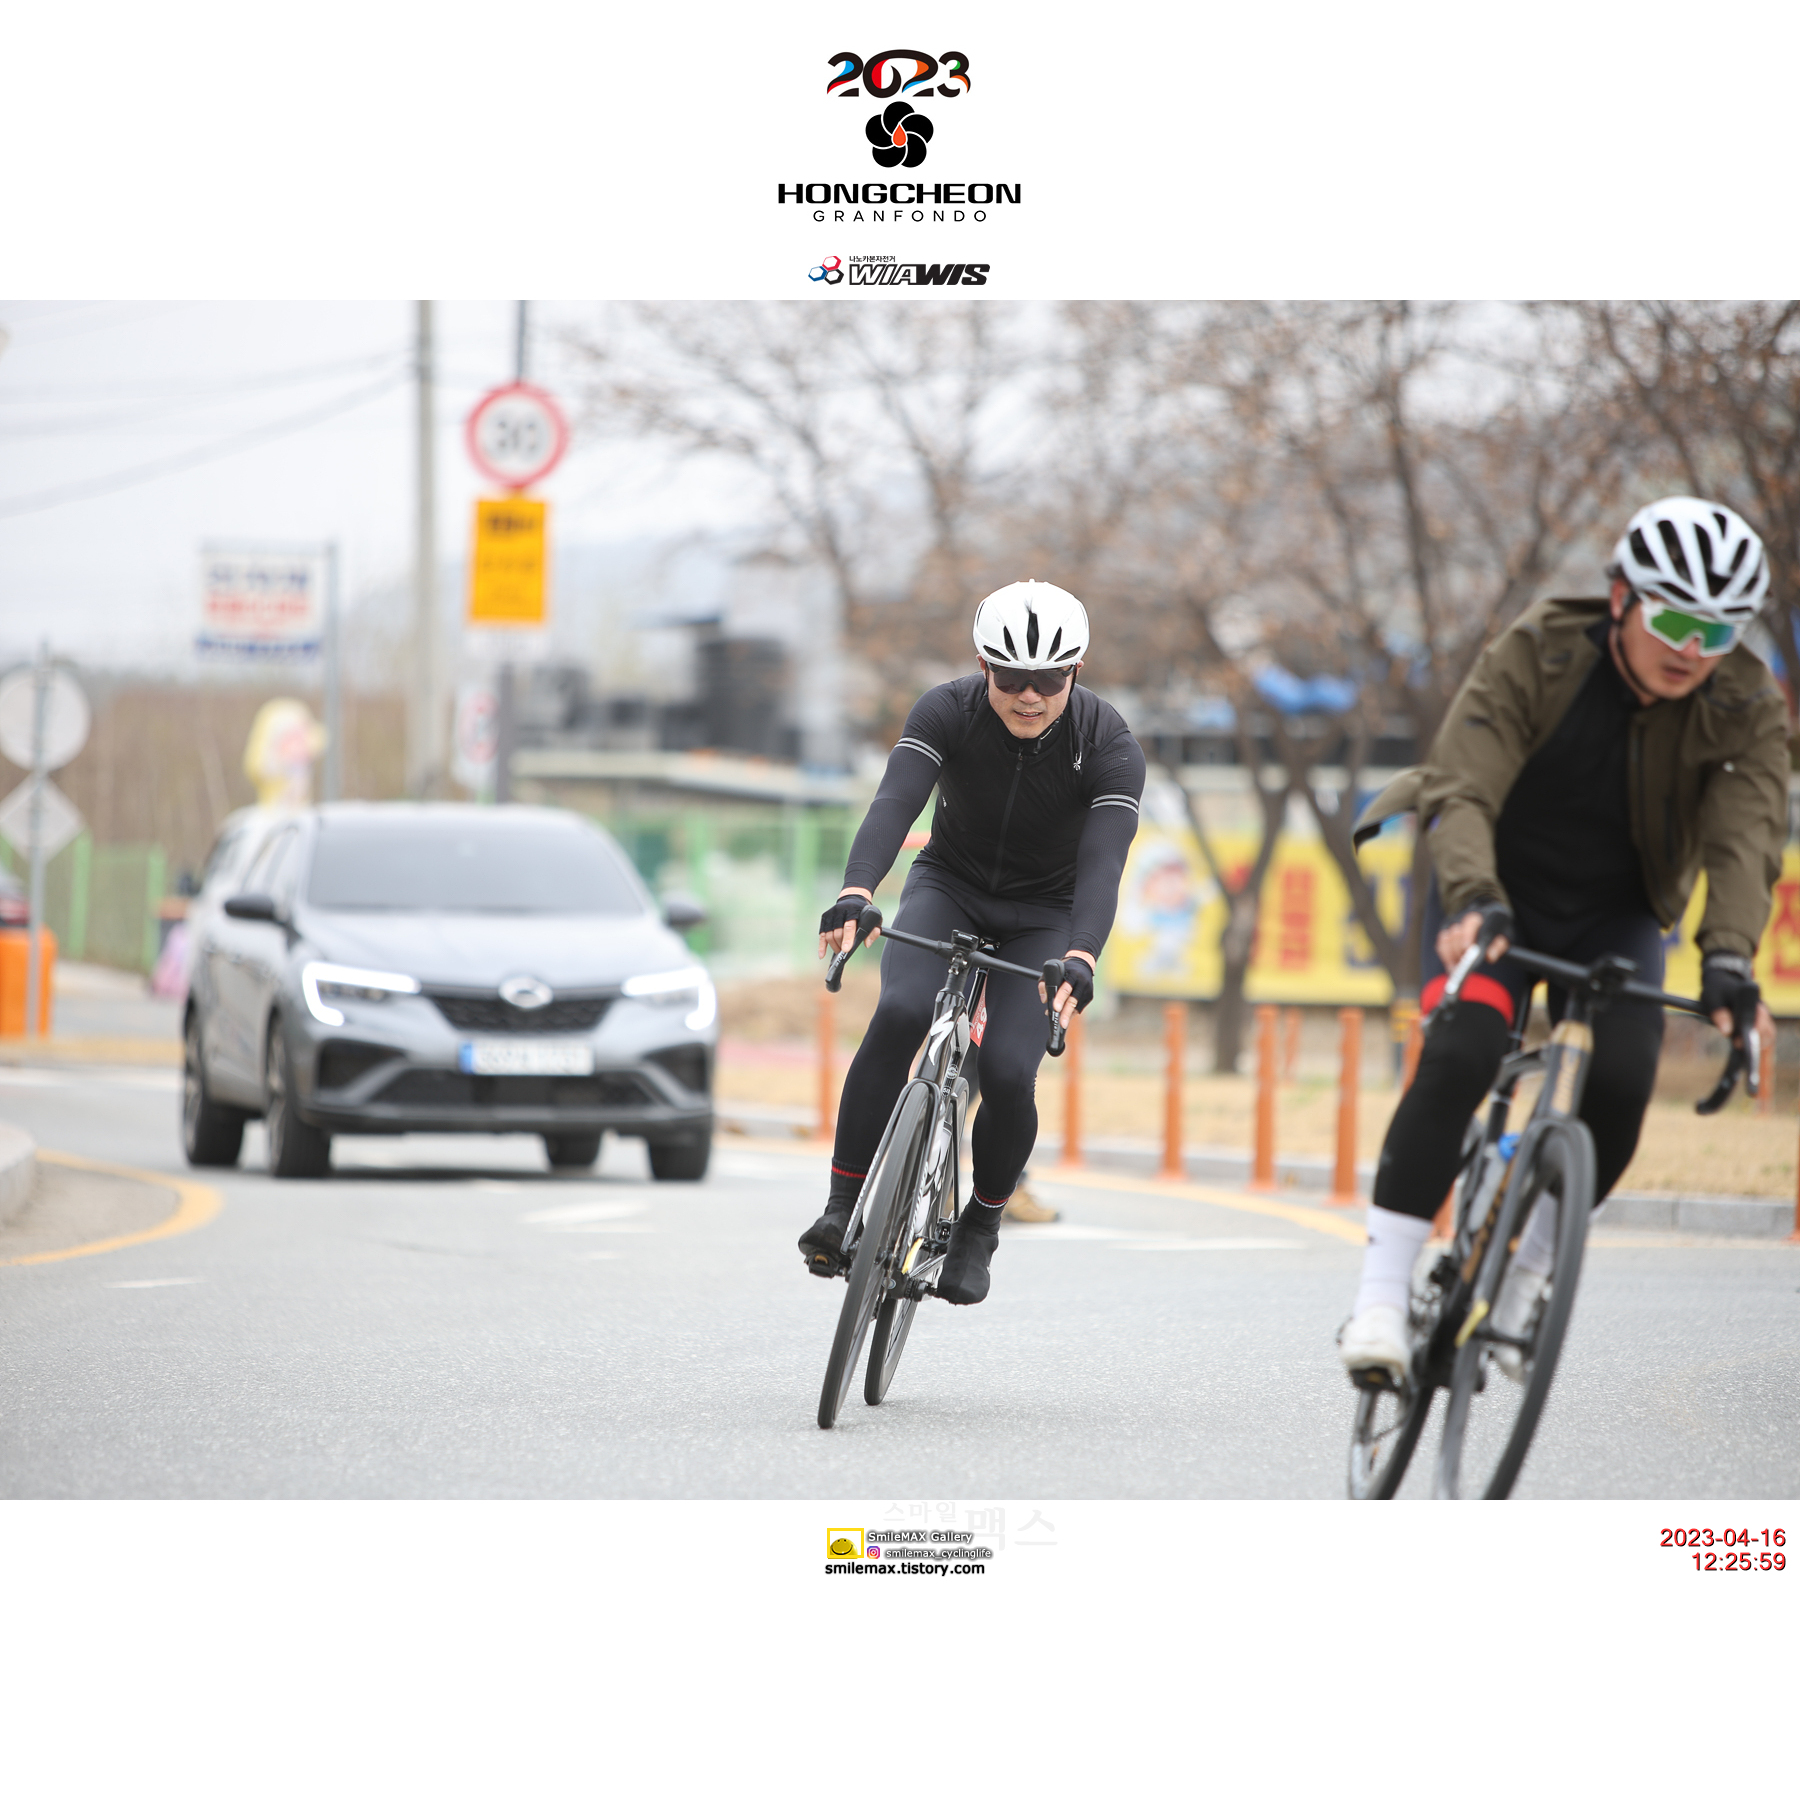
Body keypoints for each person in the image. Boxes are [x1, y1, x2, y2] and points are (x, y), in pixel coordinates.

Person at [1341, 497, 1786, 1380]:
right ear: (1621, 598)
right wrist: (1476, 900)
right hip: (1493, 887)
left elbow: (1748, 835)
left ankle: (1527, 1277)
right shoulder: (1538, 649)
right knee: (1463, 1052)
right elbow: (1462, 786)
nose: (1693, 649)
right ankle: (1379, 1302)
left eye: (1719, 631)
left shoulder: (1744, 700)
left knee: (1621, 1083)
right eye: (1674, 621)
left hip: (1616, 912)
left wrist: (1730, 959)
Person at [799, 580, 1145, 1302]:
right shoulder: (946, 709)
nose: (1029, 696)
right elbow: (895, 801)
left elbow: (1103, 864)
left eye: (1048, 679)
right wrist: (858, 891)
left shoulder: (1108, 743)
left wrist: (1081, 954)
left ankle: (981, 1226)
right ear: (983, 666)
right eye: (1011, 678)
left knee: (1011, 1071)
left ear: (1075, 671)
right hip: (949, 886)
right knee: (900, 1013)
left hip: (1046, 914)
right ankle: (841, 1208)